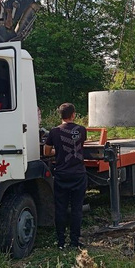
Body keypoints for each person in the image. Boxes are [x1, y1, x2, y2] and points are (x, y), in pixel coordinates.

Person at [44, 103, 88, 249]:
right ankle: (74, 242)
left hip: (62, 175)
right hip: (78, 174)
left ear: (60, 115)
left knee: (60, 208)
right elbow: (81, 146)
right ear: (73, 115)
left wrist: (57, 152)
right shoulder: (81, 130)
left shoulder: (54, 131)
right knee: (76, 209)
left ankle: (60, 242)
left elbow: (46, 152)